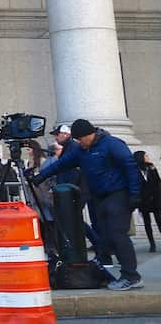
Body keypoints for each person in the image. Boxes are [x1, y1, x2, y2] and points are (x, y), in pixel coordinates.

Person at [32, 118, 142, 290]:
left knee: (117, 234)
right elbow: (62, 164)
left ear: (88, 134)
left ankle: (131, 276)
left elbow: (130, 166)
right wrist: (41, 176)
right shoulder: (82, 150)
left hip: (118, 194)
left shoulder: (111, 144)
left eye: (79, 139)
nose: (78, 142)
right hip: (99, 197)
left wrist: (135, 194)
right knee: (105, 235)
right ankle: (115, 269)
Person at [135, 151, 161, 253]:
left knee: (159, 220)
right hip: (143, 200)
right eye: (146, 156)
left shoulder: (151, 167)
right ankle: (152, 243)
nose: (148, 157)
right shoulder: (135, 170)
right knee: (147, 222)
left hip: (155, 199)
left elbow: (158, 182)